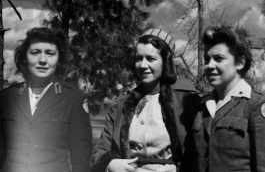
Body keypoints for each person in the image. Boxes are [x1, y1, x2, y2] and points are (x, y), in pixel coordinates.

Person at [91, 29, 199, 172]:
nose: (142, 65)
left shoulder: (186, 101)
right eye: (138, 58)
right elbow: (100, 149)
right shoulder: (121, 105)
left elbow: (200, 153)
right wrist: (110, 164)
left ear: (165, 61)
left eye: (151, 59)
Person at [0, 27, 92, 172]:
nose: (42, 60)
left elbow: (81, 163)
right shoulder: (6, 97)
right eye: (35, 53)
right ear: (25, 57)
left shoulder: (74, 99)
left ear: (59, 59)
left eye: (50, 54)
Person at [191, 26, 265, 172]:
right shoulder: (201, 105)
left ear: (240, 62)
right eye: (207, 59)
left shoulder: (256, 104)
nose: (209, 66)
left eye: (219, 58)